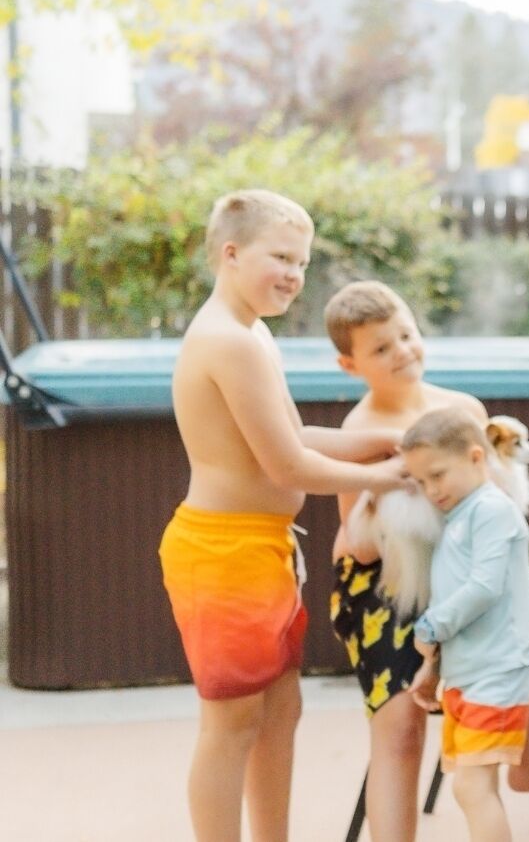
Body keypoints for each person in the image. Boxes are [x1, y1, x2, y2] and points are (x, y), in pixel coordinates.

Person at [161, 189, 406, 842]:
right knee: (231, 723)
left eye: (300, 262)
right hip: (223, 554)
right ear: (231, 253)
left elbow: (295, 435)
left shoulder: (252, 333)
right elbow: (287, 468)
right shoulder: (227, 341)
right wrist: (386, 475)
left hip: (263, 548)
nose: (294, 276)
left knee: (279, 712)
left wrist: (392, 443)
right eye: (281, 258)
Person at [324, 281, 529, 842]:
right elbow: (359, 544)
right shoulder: (361, 431)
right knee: (400, 731)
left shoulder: (461, 412)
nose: (402, 352)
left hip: (458, 571)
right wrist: (395, 490)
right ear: (351, 365)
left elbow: (496, 505)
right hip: (386, 585)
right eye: (381, 349)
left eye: (406, 335)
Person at [401, 408, 529, 842]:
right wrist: (434, 670)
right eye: (422, 482)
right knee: (471, 784)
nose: (430, 490)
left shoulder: (492, 510)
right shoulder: (460, 516)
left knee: (470, 786)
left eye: (438, 475)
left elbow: (484, 587)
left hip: (497, 670)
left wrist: (429, 627)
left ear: (477, 457)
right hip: (468, 672)